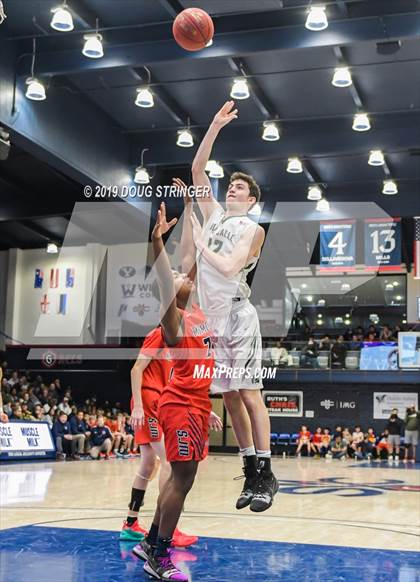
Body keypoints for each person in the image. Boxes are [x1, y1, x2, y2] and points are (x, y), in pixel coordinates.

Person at [185, 103, 278, 512]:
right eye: (231, 187)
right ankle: (250, 470)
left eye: (239, 189)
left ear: (252, 200)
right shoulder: (217, 216)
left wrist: (201, 245)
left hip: (239, 315)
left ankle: (268, 473)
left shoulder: (251, 228)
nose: (231, 190)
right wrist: (215, 126)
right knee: (230, 397)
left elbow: (229, 266)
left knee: (248, 391)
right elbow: (197, 170)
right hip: (214, 320)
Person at [137, 202, 215, 581]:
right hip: (179, 405)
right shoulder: (175, 320)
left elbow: (195, 255)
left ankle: (150, 541)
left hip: (197, 404)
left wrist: (191, 210)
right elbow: (167, 278)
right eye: (182, 277)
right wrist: (156, 244)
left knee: (179, 479)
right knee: (181, 479)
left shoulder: (200, 312)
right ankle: (159, 556)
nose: (186, 275)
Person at [123, 323, 206, 548]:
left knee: (148, 463)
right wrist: (139, 406)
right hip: (148, 401)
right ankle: (167, 529)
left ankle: (130, 524)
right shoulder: (159, 333)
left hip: (158, 401)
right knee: (170, 462)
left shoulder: (177, 342)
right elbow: (136, 369)